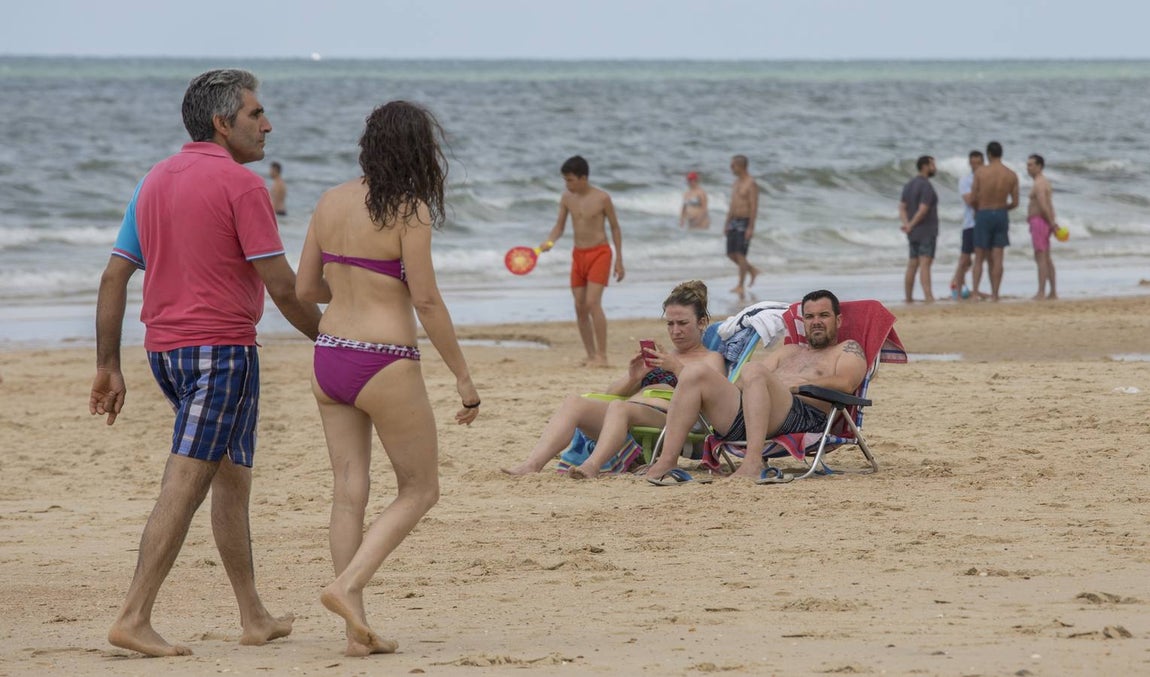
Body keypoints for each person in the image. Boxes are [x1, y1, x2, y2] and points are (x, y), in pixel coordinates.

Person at [88, 69, 322, 657]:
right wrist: (337, 340)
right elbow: (283, 287)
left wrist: (108, 364)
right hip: (221, 355)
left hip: (165, 353)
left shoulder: (154, 178)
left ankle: (254, 615)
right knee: (187, 480)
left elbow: (114, 276)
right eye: (255, 114)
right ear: (222, 123)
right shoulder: (243, 186)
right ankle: (134, 616)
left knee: (231, 476)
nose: (267, 125)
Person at [295, 101, 480, 657]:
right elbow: (426, 299)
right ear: (419, 151)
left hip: (330, 354)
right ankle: (347, 585)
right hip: (384, 358)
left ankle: (356, 633)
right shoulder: (409, 210)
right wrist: (463, 377)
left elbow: (306, 289)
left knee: (348, 490)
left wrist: (352, 289)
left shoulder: (329, 201)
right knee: (421, 489)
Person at [501, 280, 724, 477]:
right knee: (574, 402)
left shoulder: (711, 358)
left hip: (674, 422)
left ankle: (592, 466)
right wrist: (633, 377)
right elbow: (610, 395)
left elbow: (714, 402)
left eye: (682, 323)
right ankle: (532, 464)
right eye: (670, 323)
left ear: (702, 322)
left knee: (620, 408)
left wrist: (675, 368)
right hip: (630, 413)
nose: (675, 331)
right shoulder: (663, 357)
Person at [643, 289, 867, 483]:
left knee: (754, 369)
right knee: (694, 372)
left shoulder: (847, 349)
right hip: (753, 416)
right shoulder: (789, 351)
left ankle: (753, 462)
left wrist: (797, 385)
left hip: (804, 416)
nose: (816, 321)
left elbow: (846, 383)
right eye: (809, 316)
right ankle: (667, 461)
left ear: (838, 321)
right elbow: (742, 383)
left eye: (823, 315)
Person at [538, 155, 625, 367]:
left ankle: (602, 356)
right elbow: (559, 226)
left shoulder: (602, 198)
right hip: (578, 255)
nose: (567, 184)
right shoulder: (567, 198)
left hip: (600, 253)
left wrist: (619, 260)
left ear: (583, 178)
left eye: (570, 180)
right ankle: (591, 355)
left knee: (592, 303)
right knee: (579, 306)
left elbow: (615, 228)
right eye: (565, 180)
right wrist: (549, 241)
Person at [969, 141, 1020, 301]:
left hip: (984, 213)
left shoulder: (980, 172)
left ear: (989, 154)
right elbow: (1015, 202)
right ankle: (995, 294)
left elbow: (972, 198)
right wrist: (1003, 208)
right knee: (998, 257)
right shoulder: (1011, 174)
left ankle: (975, 292)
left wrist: (978, 209)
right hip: (1001, 214)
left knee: (979, 256)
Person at [899, 155, 939, 303]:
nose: (935, 168)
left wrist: (907, 224)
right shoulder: (926, 186)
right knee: (925, 264)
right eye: (932, 165)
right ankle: (928, 296)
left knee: (912, 264)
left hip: (913, 232)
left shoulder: (909, 184)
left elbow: (902, 207)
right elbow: (923, 210)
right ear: (925, 166)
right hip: (925, 230)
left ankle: (908, 297)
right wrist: (911, 224)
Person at [724, 155, 761, 298]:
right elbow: (732, 205)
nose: (731, 168)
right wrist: (727, 223)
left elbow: (754, 206)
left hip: (745, 221)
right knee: (730, 253)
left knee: (740, 254)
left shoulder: (751, 183)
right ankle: (752, 270)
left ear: (741, 166)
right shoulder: (736, 183)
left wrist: (751, 227)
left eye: (733, 165)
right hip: (733, 220)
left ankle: (740, 285)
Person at [950, 150, 985, 299]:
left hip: (983, 222)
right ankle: (957, 290)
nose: (976, 166)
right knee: (965, 258)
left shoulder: (986, 178)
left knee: (980, 257)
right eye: (973, 163)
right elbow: (969, 200)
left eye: (978, 163)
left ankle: (974, 290)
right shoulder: (965, 180)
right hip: (970, 224)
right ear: (970, 163)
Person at [1026, 154, 1059, 300]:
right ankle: (1052, 292)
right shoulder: (1044, 182)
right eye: (1027, 165)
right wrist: (1052, 222)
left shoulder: (1039, 183)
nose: (1028, 168)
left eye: (1031, 165)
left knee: (1040, 257)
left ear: (1039, 166)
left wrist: (1052, 223)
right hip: (1044, 221)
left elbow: (1043, 204)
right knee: (1046, 257)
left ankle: (1041, 291)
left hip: (1040, 221)